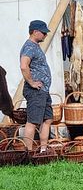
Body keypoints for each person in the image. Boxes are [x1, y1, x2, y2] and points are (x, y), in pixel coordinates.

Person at [20, 20, 54, 152]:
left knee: (47, 119)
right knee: (33, 121)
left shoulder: (35, 46)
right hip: (35, 90)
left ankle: (43, 150)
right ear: (35, 32)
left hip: (43, 90)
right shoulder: (29, 46)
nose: (45, 35)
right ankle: (28, 153)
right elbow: (24, 65)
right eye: (43, 33)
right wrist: (31, 82)